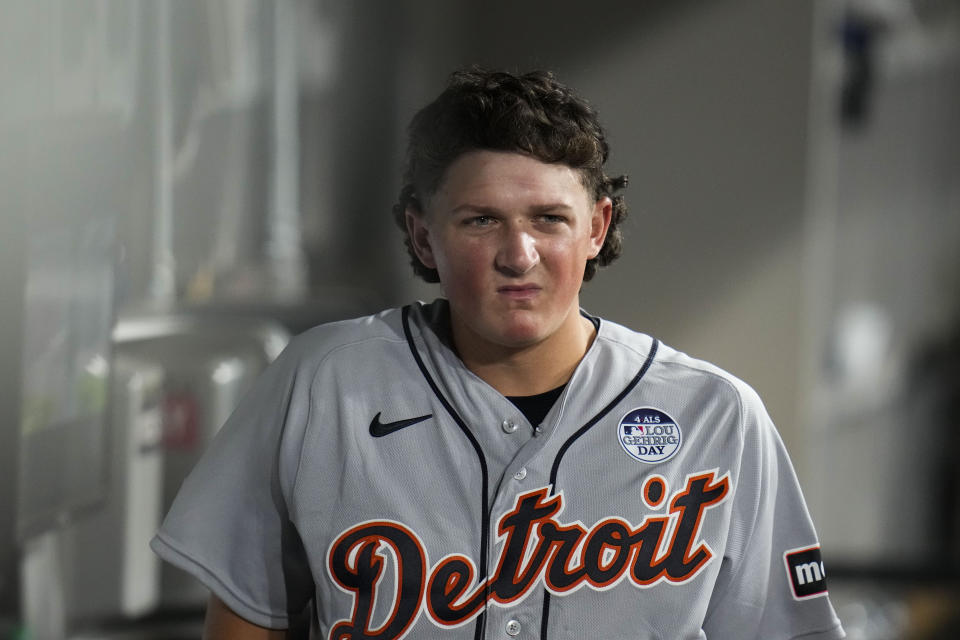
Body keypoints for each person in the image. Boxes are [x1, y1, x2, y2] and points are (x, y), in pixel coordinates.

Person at [152, 68, 846, 639]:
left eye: (550, 219)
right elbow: (246, 621)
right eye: (481, 220)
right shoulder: (323, 383)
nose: (520, 255)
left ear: (597, 227)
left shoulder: (713, 415)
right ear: (423, 236)